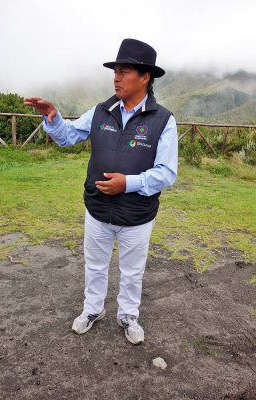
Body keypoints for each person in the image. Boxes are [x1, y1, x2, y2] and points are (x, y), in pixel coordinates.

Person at [24, 38, 178, 345]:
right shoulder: (101, 111)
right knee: (94, 265)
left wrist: (128, 183)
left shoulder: (163, 121)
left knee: (132, 272)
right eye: (115, 71)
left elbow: (166, 174)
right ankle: (93, 310)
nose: (116, 78)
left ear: (145, 77)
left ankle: (128, 315)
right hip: (97, 210)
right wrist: (52, 118)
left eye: (124, 71)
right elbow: (69, 136)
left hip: (137, 215)